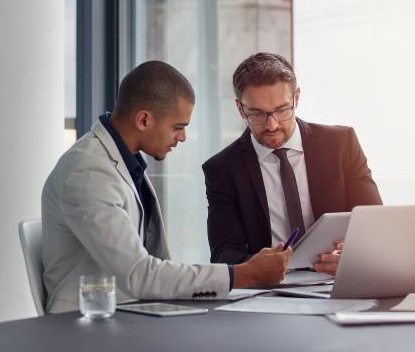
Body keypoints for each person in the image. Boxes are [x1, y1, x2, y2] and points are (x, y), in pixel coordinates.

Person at [42, 60, 292, 313]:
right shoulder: (88, 172)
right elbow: (138, 275)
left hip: (129, 314)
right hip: (87, 326)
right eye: (177, 127)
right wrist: (241, 275)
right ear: (143, 119)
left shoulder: (123, 162)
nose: (182, 137)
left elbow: (151, 268)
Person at [203, 52, 382, 275]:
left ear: (296, 98)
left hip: (339, 280)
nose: (271, 125)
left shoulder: (341, 144)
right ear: (240, 108)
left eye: (281, 110)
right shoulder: (222, 169)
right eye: (257, 114)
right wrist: (257, 266)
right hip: (270, 290)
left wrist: (354, 254)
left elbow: (376, 225)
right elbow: (223, 254)